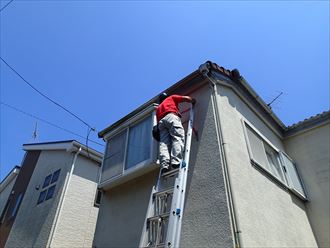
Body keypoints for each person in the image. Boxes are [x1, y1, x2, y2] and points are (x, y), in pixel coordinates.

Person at [156, 92, 196, 173]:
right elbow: (186, 98)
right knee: (177, 137)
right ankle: (176, 161)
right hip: (171, 116)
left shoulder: (158, 108)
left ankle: (165, 165)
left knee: (164, 144)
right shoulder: (171, 97)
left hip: (160, 123)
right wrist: (193, 100)